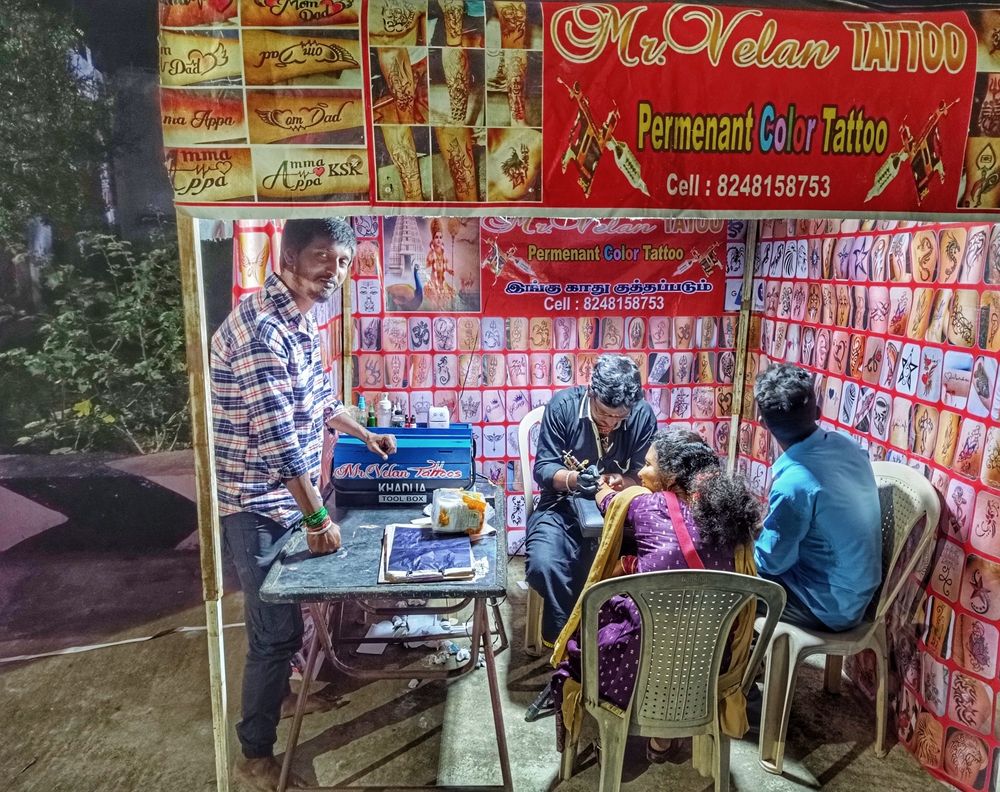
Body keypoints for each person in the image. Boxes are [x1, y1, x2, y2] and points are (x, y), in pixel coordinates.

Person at [211, 218, 397, 791]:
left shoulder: (300, 322)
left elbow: (317, 398)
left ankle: (286, 697)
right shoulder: (262, 331)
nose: (334, 272)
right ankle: (255, 757)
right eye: (322, 258)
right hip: (256, 505)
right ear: (288, 257)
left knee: (286, 624)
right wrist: (317, 516)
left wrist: (363, 434)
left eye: (342, 262)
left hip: (283, 495)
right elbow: (277, 440)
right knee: (271, 635)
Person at [550, 429, 762, 761]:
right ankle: (662, 741)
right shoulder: (728, 515)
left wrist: (606, 490)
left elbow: (608, 501)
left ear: (672, 475)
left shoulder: (647, 505)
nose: (642, 472)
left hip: (634, 677)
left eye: (648, 465)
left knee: (600, 623)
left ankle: (610, 732)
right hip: (709, 674)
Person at [524, 354, 655, 716]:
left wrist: (621, 481)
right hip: (562, 504)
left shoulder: (641, 414)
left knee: (649, 567)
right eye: (604, 415)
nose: (611, 424)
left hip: (619, 509)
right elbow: (544, 469)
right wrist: (571, 480)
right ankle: (569, 660)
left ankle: (616, 659)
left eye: (619, 417)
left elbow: (647, 473)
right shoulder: (563, 407)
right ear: (591, 394)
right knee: (544, 564)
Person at [753, 363, 882, 631]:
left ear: (763, 424)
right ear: (818, 412)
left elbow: (773, 563)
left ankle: (738, 667)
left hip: (827, 606)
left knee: (726, 582)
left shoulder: (793, 485)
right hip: (857, 593)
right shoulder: (848, 446)